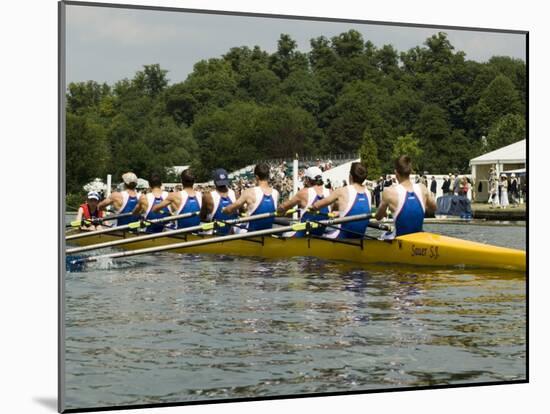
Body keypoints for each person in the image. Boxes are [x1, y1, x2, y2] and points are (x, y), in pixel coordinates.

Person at [376, 155, 436, 237]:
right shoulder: (422, 188)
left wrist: (383, 212)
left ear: (396, 172)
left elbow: (378, 217)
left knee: (383, 235)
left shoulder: (389, 191)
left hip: (400, 240)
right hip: (418, 238)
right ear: (410, 171)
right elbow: (433, 209)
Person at [311, 162, 371, 239]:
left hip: (342, 237)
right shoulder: (368, 192)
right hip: (360, 237)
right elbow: (357, 210)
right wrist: (340, 213)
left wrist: (312, 208)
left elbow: (317, 205)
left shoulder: (341, 191)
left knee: (316, 233)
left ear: (350, 176)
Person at [222, 163, 279, 231]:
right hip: (267, 231)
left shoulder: (249, 192)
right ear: (268, 176)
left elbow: (230, 210)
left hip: (251, 233)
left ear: (257, 177)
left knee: (232, 226)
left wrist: (224, 209)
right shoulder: (276, 193)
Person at [277, 166, 331, 237]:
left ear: (308, 179)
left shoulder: (304, 193)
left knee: (282, 233)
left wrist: (278, 210)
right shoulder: (330, 192)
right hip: (319, 234)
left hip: (302, 236)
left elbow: (283, 207)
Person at [200, 168, 239, 235]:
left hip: (216, 236)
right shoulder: (236, 194)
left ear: (214, 181)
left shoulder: (207, 197)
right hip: (234, 235)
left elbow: (202, 216)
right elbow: (242, 212)